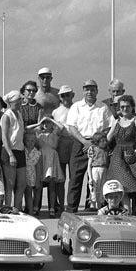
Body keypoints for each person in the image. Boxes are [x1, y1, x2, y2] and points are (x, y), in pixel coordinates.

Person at [65, 79, 114, 213]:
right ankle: (71, 210)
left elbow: (111, 126)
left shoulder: (103, 107)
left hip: (98, 145)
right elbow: (71, 127)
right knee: (75, 178)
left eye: (92, 89)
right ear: (83, 91)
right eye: (87, 89)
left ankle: (91, 208)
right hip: (80, 144)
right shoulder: (76, 107)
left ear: (97, 91)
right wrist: (84, 142)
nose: (90, 92)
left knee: (95, 180)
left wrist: (99, 143)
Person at [106, 95, 136, 217]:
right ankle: (125, 214)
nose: (124, 109)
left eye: (127, 106)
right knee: (121, 186)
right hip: (117, 158)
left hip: (132, 156)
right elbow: (107, 139)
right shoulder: (116, 121)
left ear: (132, 107)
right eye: (122, 107)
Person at [30, 115, 64, 217]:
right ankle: (36, 207)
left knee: (52, 185)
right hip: (41, 158)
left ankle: (52, 208)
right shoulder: (39, 134)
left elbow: (62, 127)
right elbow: (27, 129)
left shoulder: (55, 134)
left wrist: (51, 120)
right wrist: (39, 123)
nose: (45, 125)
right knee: (39, 184)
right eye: (44, 123)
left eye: (47, 123)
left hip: (52, 158)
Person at [0, 89, 27, 211]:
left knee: (21, 183)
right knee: (10, 184)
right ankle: (8, 208)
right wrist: (10, 154)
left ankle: (17, 208)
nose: (20, 103)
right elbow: (4, 137)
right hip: (9, 151)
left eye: (20, 100)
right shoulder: (6, 116)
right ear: (11, 102)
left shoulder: (19, 114)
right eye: (17, 101)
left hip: (20, 150)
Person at [51, 86, 75, 213]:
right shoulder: (56, 112)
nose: (66, 98)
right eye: (63, 95)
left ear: (73, 95)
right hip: (60, 144)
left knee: (74, 177)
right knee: (60, 178)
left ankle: (71, 205)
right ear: (60, 97)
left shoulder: (77, 108)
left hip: (74, 143)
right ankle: (60, 205)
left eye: (68, 95)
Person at [87, 129, 110, 210]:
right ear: (97, 141)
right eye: (102, 141)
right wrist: (90, 177)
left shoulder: (106, 149)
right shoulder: (93, 149)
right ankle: (93, 205)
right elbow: (89, 164)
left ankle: (100, 206)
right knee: (94, 187)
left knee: (102, 188)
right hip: (95, 170)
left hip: (104, 169)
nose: (104, 142)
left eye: (105, 140)